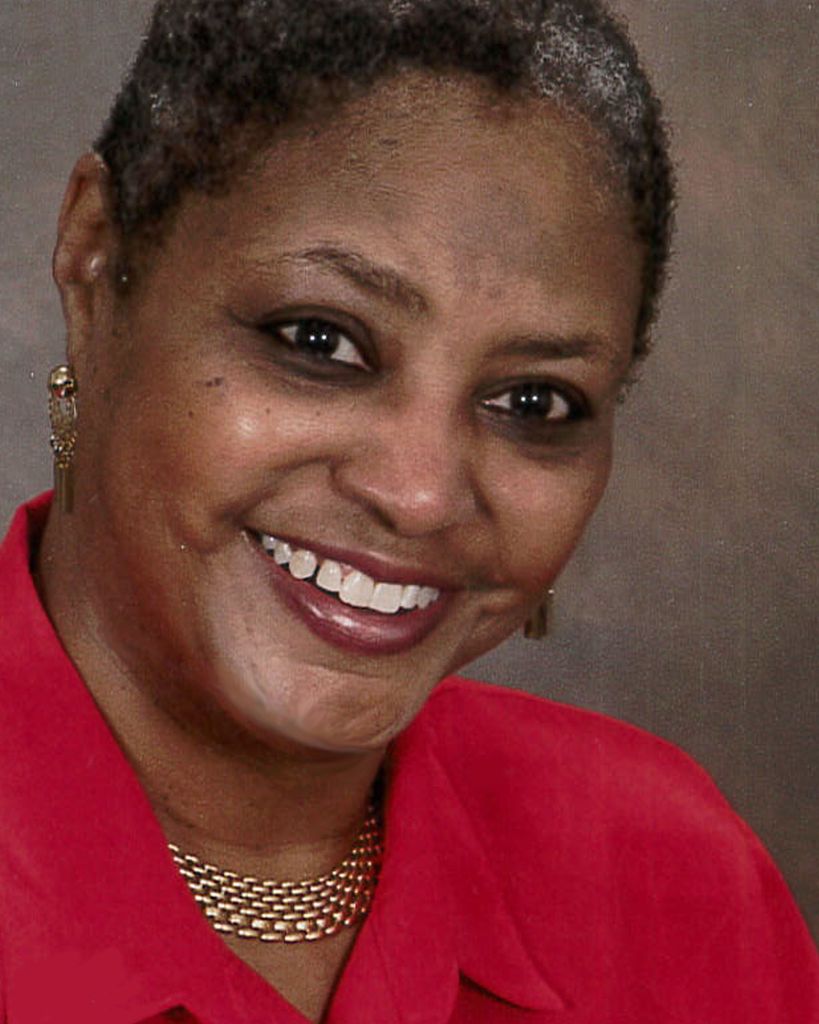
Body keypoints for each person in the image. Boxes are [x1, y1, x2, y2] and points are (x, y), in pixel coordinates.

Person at [0, 0, 816, 1021]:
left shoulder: (666, 877)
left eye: (533, 403)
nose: (421, 495)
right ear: (95, 262)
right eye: (319, 340)